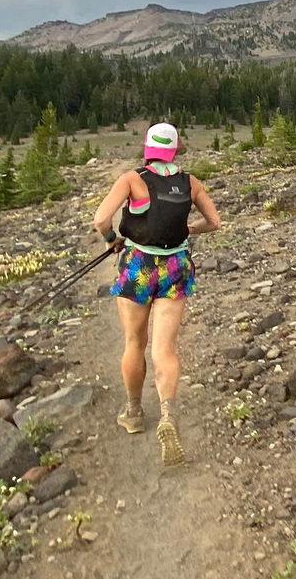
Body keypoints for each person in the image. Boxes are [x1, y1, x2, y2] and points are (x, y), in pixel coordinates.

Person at [92, 123, 221, 466]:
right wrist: (190, 229)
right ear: (176, 148)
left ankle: (134, 412)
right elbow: (215, 222)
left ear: (147, 146)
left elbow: (101, 218)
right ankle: (167, 414)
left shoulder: (132, 179)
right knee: (165, 348)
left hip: (138, 264)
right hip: (175, 265)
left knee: (135, 343)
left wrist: (111, 240)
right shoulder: (190, 182)